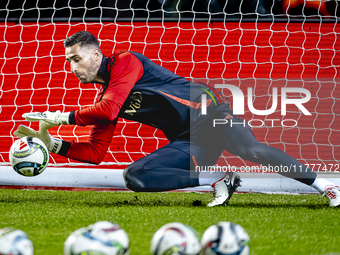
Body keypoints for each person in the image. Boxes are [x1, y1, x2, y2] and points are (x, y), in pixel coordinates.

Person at [14, 31, 340, 207]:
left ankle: (327, 187)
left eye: (77, 58)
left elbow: (109, 110)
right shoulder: (102, 100)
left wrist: (60, 116)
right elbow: (95, 154)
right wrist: (51, 142)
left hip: (211, 112)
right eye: (68, 61)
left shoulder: (126, 63)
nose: (72, 67)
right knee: (136, 177)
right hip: (187, 140)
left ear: (96, 55)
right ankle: (216, 178)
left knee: (251, 150)